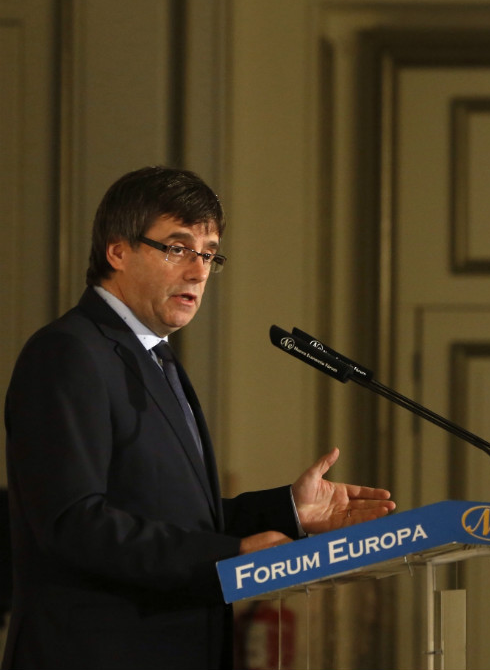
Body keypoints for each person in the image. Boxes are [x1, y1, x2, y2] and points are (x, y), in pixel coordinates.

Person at [2, 166, 396, 669]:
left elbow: (170, 517)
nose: (198, 271)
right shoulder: (68, 353)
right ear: (117, 251)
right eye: (177, 248)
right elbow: (74, 524)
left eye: (209, 253)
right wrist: (227, 560)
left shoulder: (157, 358)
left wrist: (288, 513)